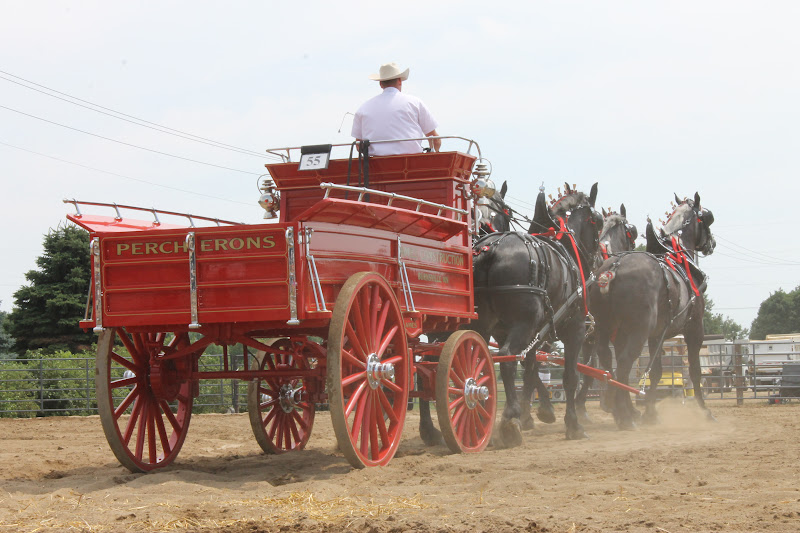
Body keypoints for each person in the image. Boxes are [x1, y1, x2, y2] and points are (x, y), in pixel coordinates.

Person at [351, 62, 440, 156]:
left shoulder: (363, 108)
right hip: (411, 164)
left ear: (380, 84)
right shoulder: (415, 103)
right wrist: (436, 152)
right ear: (400, 81)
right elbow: (435, 139)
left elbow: (358, 145)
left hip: (376, 166)